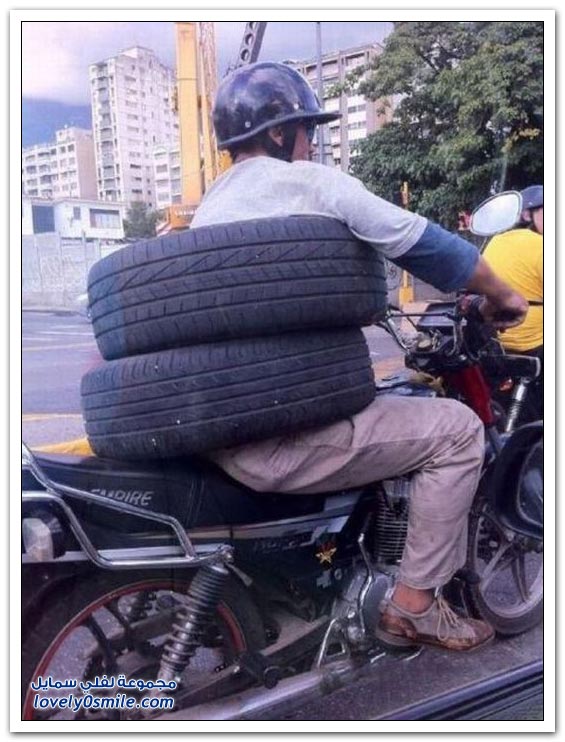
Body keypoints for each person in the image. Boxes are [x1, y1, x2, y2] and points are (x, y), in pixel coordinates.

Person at [191, 62, 528, 651]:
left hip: (215, 423)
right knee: (456, 431)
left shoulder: (206, 211)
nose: (310, 144)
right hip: (280, 435)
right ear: (279, 133)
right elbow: (424, 243)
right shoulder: (312, 184)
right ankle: (415, 605)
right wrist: (503, 295)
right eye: (307, 130)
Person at [483, 186, 543, 418]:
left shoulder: (494, 242)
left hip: (494, 344)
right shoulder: (542, 246)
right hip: (535, 345)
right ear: (527, 215)